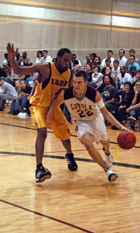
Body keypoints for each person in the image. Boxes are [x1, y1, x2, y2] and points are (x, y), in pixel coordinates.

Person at [7, 43, 78, 183]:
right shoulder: (44, 68)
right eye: (65, 59)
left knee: (65, 135)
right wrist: (12, 59)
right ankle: (39, 168)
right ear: (57, 58)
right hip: (39, 105)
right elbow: (19, 71)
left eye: (69, 60)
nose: (67, 63)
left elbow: (67, 95)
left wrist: (74, 115)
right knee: (42, 132)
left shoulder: (69, 75)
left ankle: (69, 155)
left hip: (55, 107)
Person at [47, 70, 130, 182]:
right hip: (82, 123)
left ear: (86, 83)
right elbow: (54, 103)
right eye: (75, 82)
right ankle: (108, 169)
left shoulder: (93, 94)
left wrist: (120, 126)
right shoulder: (66, 93)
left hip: (96, 120)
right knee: (86, 142)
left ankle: (107, 152)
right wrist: (49, 117)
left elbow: (106, 113)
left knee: (105, 142)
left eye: (79, 82)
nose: (76, 85)